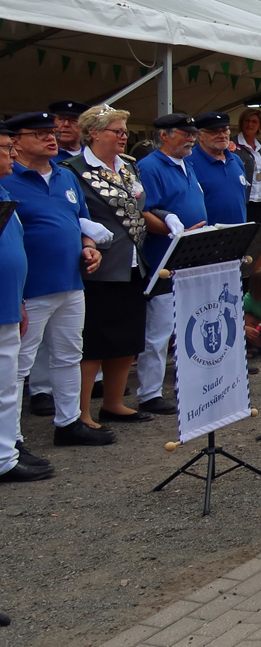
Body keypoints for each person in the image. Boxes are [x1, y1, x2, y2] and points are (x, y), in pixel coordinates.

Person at [2, 111, 108, 447]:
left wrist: (89, 247)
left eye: (52, 132)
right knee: (18, 365)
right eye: (39, 133)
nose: (51, 138)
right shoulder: (6, 179)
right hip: (30, 287)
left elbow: (82, 221)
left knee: (68, 355)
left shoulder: (65, 176)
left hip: (70, 281)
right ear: (15, 143)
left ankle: (69, 422)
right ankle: (12, 439)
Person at [63, 106, 153, 425]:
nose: (124, 137)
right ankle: (82, 413)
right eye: (117, 131)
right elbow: (68, 212)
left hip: (132, 261)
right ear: (95, 133)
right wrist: (86, 231)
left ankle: (114, 403)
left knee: (127, 338)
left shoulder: (127, 167)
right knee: (94, 343)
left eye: (125, 132)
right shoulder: (73, 169)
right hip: (99, 263)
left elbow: (141, 207)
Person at [137, 113, 209, 415]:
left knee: (190, 321)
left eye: (193, 133)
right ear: (165, 135)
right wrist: (171, 229)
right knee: (160, 328)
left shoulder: (187, 164)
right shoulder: (150, 167)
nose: (192, 138)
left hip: (191, 253)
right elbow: (143, 211)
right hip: (164, 255)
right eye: (185, 133)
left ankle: (189, 380)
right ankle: (149, 392)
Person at [0, 123, 50, 481]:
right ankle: (4, 458)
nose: (12, 154)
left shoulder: (3, 191)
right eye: (5, 148)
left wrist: (17, 300)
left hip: (7, 302)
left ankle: (7, 449)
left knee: (6, 384)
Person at [193, 113, 249, 225]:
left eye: (225, 130)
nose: (222, 135)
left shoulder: (236, 160)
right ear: (199, 135)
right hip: (208, 238)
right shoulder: (189, 162)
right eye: (214, 132)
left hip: (239, 235)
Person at [234, 109, 261, 224]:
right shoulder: (232, 145)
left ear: (260, 126)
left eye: (254, 121)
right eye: (247, 121)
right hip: (243, 200)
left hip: (260, 199)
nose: (250, 124)